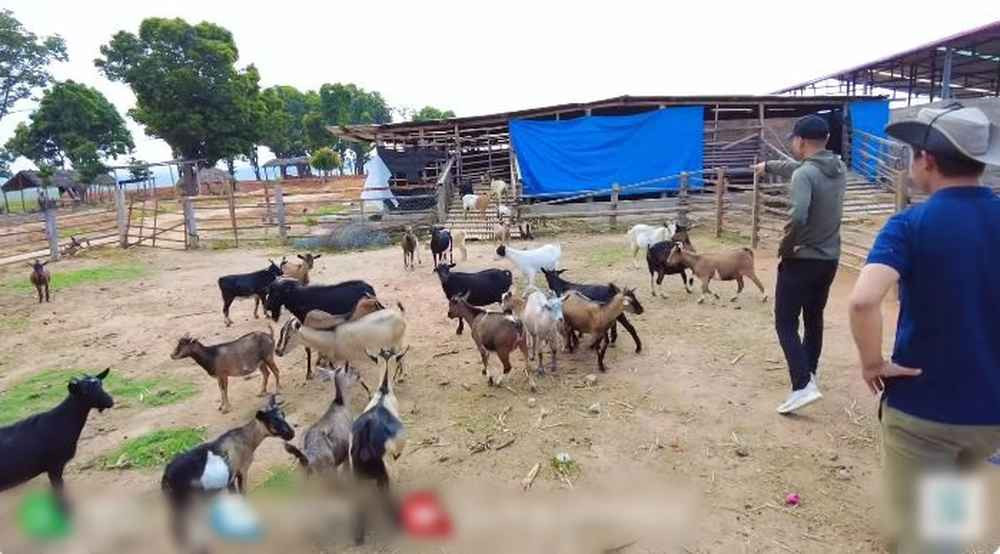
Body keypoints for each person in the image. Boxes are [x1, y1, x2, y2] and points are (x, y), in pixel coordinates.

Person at [847, 104, 1000, 552]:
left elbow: (862, 300)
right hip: (990, 412)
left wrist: (873, 362)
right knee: (950, 520)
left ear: (927, 160)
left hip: (923, 410)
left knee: (921, 538)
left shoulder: (910, 225)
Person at [753, 115, 846, 414]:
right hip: (829, 259)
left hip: (802, 258)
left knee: (785, 322)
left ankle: (801, 385)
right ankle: (811, 373)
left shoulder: (804, 175)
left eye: (794, 139)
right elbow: (801, 168)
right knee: (813, 317)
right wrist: (767, 166)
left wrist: (786, 245)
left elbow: (799, 215)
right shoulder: (837, 168)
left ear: (801, 141)